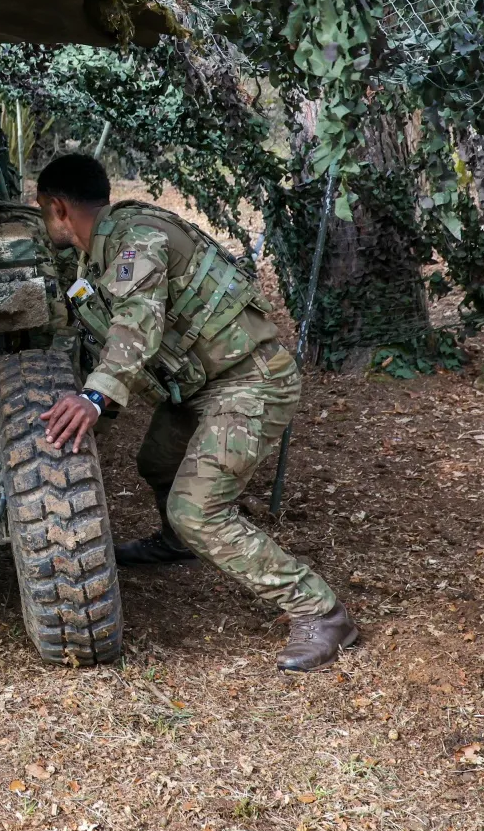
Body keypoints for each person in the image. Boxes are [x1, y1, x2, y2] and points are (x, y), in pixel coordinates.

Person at [31, 153, 358, 672]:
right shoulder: (97, 254)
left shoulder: (135, 239)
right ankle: (177, 544)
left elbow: (138, 320)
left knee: (198, 508)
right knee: (157, 461)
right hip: (202, 385)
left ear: (58, 207)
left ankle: (319, 611)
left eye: (42, 211)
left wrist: (96, 395)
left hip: (251, 380)